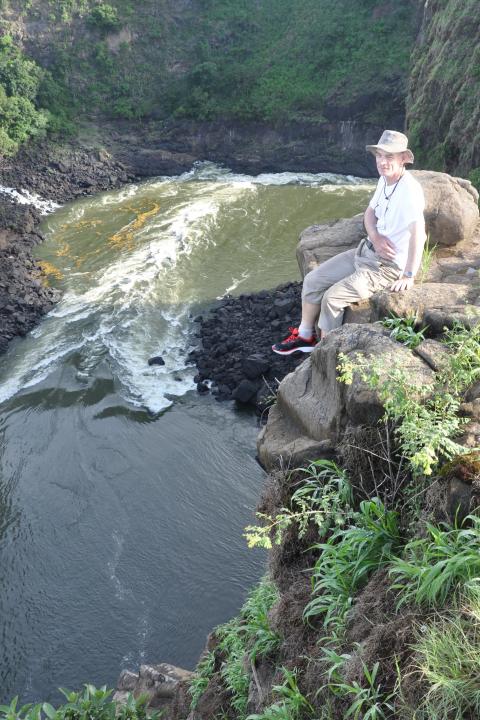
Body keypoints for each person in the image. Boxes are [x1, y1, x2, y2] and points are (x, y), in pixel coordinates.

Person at [272, 130, 426, 355]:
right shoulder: (385, 180)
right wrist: (374, 236)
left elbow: (419, 234)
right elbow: (370, 213)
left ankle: (325, 354)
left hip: (385, 268)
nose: (382, 162)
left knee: (332, 298)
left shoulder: (410, 190)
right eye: (379, 156)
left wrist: (408, 276)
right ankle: (305, 336)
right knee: (314, 280)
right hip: (365, 251)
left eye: (389, 157)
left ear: (403, 159)